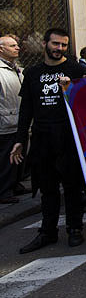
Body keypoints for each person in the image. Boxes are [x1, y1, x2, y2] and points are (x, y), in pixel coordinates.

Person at [11, 29, 86, 253]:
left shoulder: (76, 69)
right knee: (47, 188)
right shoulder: (33, 73)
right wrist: (19, 139)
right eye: (55, 44)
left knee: (72, 186)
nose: (59, 49)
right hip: (42, 139)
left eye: (64, 45)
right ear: (45, 44)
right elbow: (26, 109)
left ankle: (75, 229)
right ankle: (47, 231)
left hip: (68, 137)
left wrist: (85, 81)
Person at [0, 36, 23, 204]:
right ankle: (4, 190)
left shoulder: (18, 68)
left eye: (17, 45)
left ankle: (15, 184)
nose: (17, 48)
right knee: (6, 157)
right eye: (12, 45)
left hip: (19, 119)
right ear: (1, 49)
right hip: (6, 121)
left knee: (19, 156)